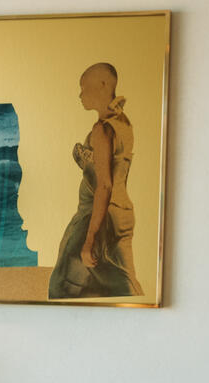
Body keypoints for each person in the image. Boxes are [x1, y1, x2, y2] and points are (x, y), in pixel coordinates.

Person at [48, 62, 143, 299]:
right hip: (119, 214)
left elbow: (104, 185)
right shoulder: (122, 122)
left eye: (84, 87)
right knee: (118, 282)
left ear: (102, 86)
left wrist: (90, 239)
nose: (80, 95)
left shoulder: (102, 130)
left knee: (63, 284)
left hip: (99, 217)